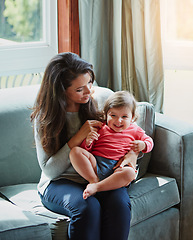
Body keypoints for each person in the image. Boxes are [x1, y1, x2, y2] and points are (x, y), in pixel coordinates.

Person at [31, 52, 137, 240]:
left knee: (119, 206)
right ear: (61, 90)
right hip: (60, 182)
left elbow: (126, 136)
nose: (89, 91)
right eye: (80, 89)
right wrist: (79, 136)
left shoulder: (92, 105)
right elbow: (50, 171)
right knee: (88, 207)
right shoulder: (45, 119)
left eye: (89, 83)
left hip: (98, 175)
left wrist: (132, 156)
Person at [69, 91, 153, 200]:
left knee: (130, 173)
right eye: (113, 115)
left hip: (118, 167)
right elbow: (86, 150)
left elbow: (149, 141)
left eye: (124, 116)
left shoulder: (135, 130)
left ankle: (97, 187)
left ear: (132, 117)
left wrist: (143, 145)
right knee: (75, 151)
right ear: (106, 114)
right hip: (96, 164)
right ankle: (93, 180)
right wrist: (88, 142)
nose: (118, 121)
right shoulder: (101, 127)